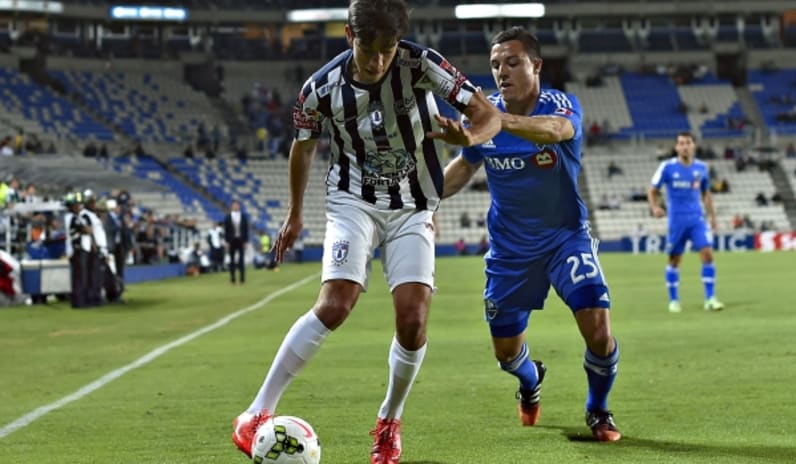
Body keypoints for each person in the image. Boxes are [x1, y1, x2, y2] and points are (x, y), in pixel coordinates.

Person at [230, 1, 501, 463]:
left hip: (413, 206)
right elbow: (304, 147)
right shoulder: (319, 88)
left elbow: (488, 114)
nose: (377, 59)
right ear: (348, 36)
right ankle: (256, 412)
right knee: (336, 302)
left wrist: (470, 138)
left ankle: (388, 422)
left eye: (387, 48)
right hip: (352, 201)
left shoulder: (422, 64)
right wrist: (295, 214)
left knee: (413, 322)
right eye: (367, 47)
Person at [441, 26, 621, 442]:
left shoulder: (560, 104)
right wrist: (425, 199)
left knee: (598, 329)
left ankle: (598, 410)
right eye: (495, 64)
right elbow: (466, 165)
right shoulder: (484, 118)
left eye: (512, 61)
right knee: (506, 354)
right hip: (510, 251)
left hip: (564, 238)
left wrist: (493, 119)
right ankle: (530, 379)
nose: (501, 71)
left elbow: (556, 131)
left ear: (535, 65)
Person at [648, 131, 724, 313]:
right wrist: (655, 207)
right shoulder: (667, 167)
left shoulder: (702, 168)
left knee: (707, 254)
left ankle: (710, 298)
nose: (684, 146)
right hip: (676, 221)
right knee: (674, 260)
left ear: (693, 146)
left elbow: (706, 193)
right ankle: (674, 301)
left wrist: (712, 217)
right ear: (676, 147)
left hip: (697, 220)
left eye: (688, 143)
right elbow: (652, 189)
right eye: (681, 143)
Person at [223, 199, 249, 285]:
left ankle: (242, 279)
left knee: (241, 260)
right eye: (234, 205)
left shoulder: (243, 216)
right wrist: (226, 242)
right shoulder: (227, 217)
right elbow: (226, 230)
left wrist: (246, 241)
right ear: (231, 206)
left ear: (239, 206)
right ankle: (232, 279)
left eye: (237, 205)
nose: (236, 206)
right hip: (231, 241)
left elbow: (246, 230)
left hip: (241, 240)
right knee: (232, 261)